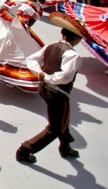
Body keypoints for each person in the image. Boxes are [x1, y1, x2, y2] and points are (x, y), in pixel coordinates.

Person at [16, 12, 90, 163]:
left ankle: (65, 145)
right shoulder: (72, 55)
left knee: (64, 116)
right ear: (77, 39)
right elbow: (65, 77)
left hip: (45, 88)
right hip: (57, 93)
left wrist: (40, 74)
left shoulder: (50, 46)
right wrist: (47, 77)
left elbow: (31, 59)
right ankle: (25, 149)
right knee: (55, 127)